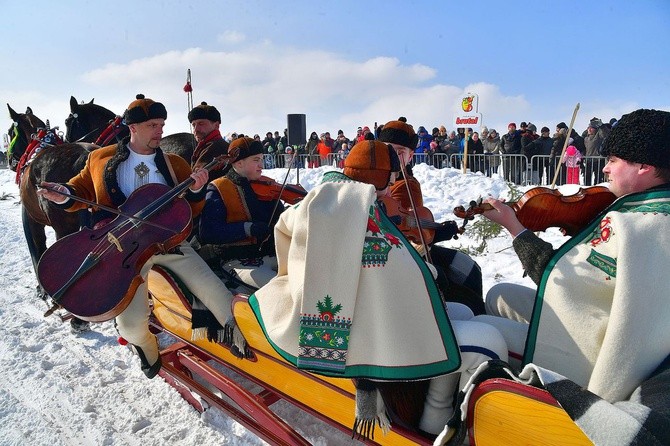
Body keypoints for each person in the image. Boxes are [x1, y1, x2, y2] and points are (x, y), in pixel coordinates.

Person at [250, 139, 507, 438]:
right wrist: (426, 271)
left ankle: (437, 403)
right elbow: (382, 269)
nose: (397, 180)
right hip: (367, 321)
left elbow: (285, 226)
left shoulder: (328, 196)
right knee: (485, 338)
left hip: (351, 304)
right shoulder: (354, 207)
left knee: (462, 310)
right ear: (378, 175)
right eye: (392, 173)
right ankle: (437, 418)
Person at [467, 109, 670, 444]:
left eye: (613, 160)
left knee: (481, 333)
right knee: (500, 294)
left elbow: (559, 276)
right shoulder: (646, 211)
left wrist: (515, 227)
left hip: (591, 360)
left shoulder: (636, 227)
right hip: (606, 327)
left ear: (643, 166)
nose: (604, 168)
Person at [37, 94, 245, 378]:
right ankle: (146, 345)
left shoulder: (174, 164)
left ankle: (243, 340)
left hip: (168, 242)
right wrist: (63, 195)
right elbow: (80, 192)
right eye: (153, 125)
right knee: (132, 324)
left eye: (161, 124)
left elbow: (191, 209)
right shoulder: (100, 158)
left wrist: (196, 191)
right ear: (133, 128)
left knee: (216, 293)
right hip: (122, 251)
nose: (160, 130)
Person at [378, 119, 486, 315]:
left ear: (411, 156)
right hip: (390, 254)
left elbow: (410, 227)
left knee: (468, 268)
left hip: (412, 246)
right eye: (388, 149)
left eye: (400, 152)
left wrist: (435, 232)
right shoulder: (373, 179)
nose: (393, 156)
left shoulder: (406, 184)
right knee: (446, 281)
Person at [198, 136, 282, 290]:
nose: (261, 166)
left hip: (271, 255)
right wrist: (247, 228)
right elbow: (208, 232)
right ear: (239, 163)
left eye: (262, 160)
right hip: (236, 260)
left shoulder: (267, 186)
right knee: (278, 289)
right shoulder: (219, 188)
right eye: (256, 160)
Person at [188, 101, 229, 181]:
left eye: (201, 124)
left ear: (216, 125)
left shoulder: (216, 147)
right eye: (194, 125)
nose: (196, 130)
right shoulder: (206, 146)